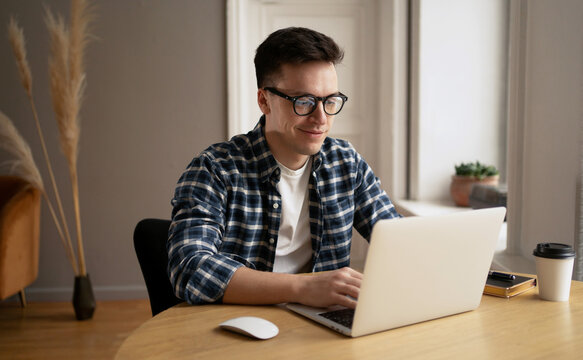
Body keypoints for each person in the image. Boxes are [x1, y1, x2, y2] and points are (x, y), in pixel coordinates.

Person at [168, 27, 401, 309]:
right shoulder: (216, 170)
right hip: (238, 329)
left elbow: (397, 241)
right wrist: (303, 288)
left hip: (321, 330)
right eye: (304, 101)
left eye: (330, 101)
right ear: (264, 100)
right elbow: (190, 269)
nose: (321, 118)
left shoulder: (346, 163)